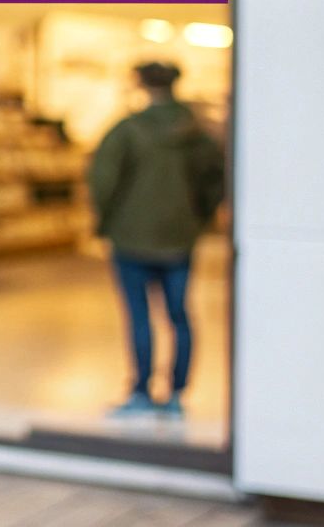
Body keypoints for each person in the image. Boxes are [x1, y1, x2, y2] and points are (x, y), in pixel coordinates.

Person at [88, 61, 226, 419]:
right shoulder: (197, 133)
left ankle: (141, 391)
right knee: (179, 315)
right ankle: (178, 393)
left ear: (140, 85)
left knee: (140, 316)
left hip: (131, 236)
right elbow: (215, 182)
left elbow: (103, 181)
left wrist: (106, 222)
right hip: (180, 236)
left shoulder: (127, 130)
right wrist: (198, 219)